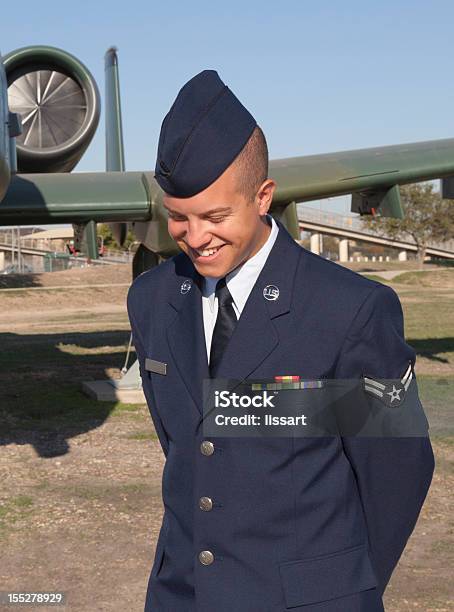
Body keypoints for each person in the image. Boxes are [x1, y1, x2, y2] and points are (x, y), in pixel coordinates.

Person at [127, 70, 434, 612]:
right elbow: (190, 441)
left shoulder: (350, 310)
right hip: (182, 596)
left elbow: (397, 472)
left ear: (263, 196)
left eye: (215, 216)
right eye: (178, 217)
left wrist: (340, 588)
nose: (195, 238)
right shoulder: (152, 299)